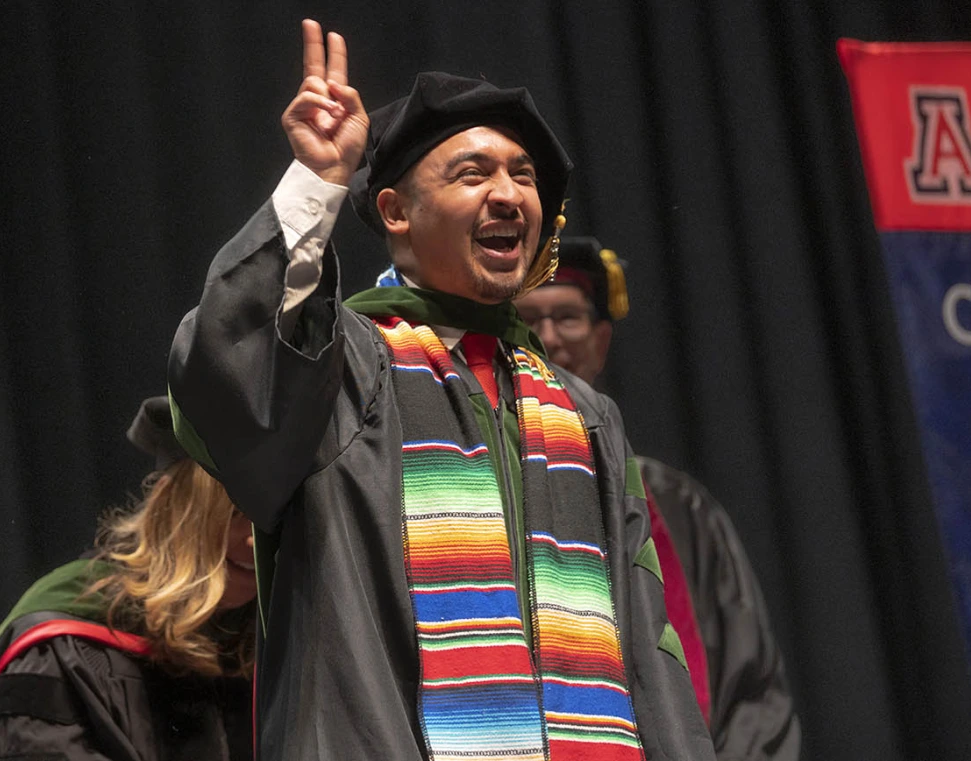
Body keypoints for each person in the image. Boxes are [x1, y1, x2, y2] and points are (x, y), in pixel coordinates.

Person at [167, 19, 714, 761]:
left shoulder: (584, 418)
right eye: (472, 173)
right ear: (395, 211)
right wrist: (317, 184)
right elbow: (226, 376)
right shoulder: (345, 370)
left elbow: (647, 643)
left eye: (523, 175)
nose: (508, 194)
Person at [514, 237, 802, 760]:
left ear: (601, 341)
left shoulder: (677, 507)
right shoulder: (478, 488)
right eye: (529, 320)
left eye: (567, 318)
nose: (548, 338)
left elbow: (749, 687)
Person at [0, 396, 257, 761]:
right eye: (237, 512)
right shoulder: (69, 647)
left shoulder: (278, 648)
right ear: (171, 511)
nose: (254, 539)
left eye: (273, 519)